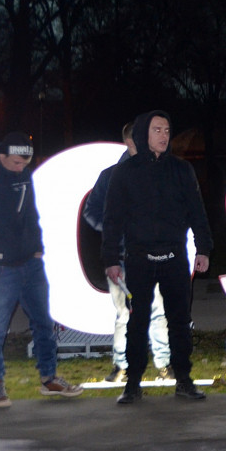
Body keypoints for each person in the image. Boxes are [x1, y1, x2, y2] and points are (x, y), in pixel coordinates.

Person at [102, 112, 213, 405]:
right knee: (137, 322)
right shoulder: (124, 173)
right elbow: (112, 219)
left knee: (179, 321)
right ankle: (133, 383)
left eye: (167, 129)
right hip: (138, 258)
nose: (164, 135)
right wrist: (111, 258)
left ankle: (184, 381)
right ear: (142, 134)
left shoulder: (181, 169)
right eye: (157, 130)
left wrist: (203, 248)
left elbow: (197, 212)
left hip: (175, 256)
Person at [0, 132, 82, 408]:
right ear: (1, 155)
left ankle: (49, 378)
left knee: (43, 321)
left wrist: (37, 245)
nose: (20, 168)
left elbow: (30, 212)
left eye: (25, 163)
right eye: (16, 162)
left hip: (30, 261)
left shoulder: (23, 173)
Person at [83, 122, 171, 383]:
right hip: (122, 259)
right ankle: (121, 365)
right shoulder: (110, 176)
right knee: (125, 314)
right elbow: (91, 211)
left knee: (157, 312)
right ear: (130, 142)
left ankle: (164, 364)